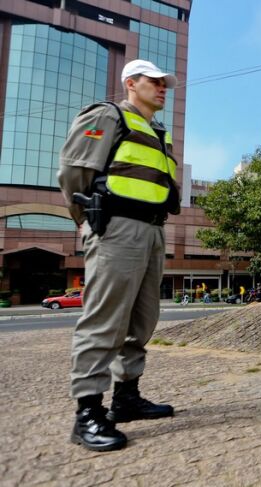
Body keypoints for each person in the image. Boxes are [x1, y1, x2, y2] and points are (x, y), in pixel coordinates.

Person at [57, 59, 181, 452]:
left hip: (153, 229)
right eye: (154, 82)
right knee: (104, 321)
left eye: (165, 84)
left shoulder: (160, 132)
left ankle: (126, 399)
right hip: (116, 228)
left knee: (142, 321)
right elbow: (73, 172)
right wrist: (88, 220)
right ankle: (88, 414)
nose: (163, 88)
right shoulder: (108, 115)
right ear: (131, 82)